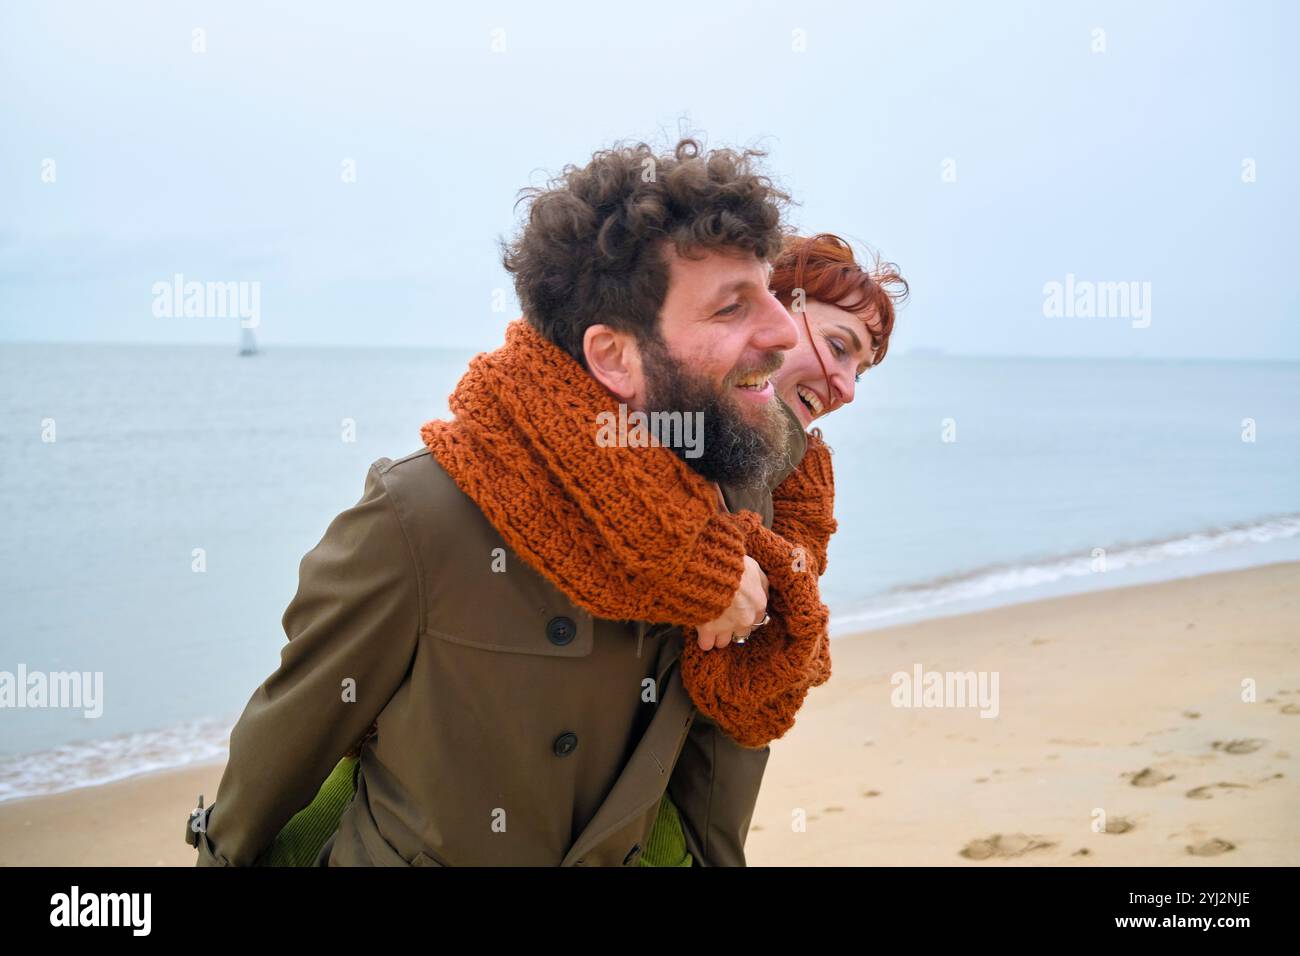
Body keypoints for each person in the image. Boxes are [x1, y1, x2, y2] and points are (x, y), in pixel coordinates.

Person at [186, 137, 838, 867]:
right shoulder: (422, 515)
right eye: (730, 308)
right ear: (614, 356)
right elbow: (290, 739)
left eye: (769, 296)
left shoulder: (731, 519)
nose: (782, 332)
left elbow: (710, 773)